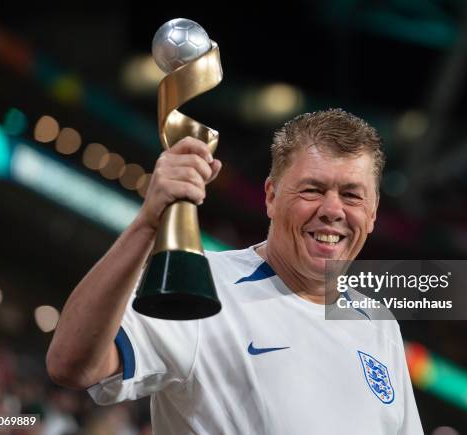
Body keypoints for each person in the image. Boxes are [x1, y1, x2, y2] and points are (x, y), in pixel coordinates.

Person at [46, 108, 424, 434]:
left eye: (352, 195)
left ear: (372, 214)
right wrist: (148, 223)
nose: (332, 209)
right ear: (271, 197)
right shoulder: (202, 286)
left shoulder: (378, 323)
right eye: (312, 189)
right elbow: (73, 365)